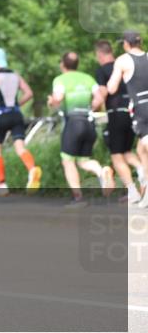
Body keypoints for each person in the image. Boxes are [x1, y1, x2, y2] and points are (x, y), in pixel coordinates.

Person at [49, 51, 112, 206]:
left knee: (68, 160)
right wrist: (90, 107)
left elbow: (58, 98)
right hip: (89, 122)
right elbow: (99, 98)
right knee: (83, 161)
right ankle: (101, 171)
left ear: (62, 64)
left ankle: (78, 198)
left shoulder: (60, 79)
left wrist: (51, 101)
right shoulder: (87, 78)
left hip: (73, 122)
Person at [0, 47, 40, 196]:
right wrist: (17, 105)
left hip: (1, 115)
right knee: (20, 147)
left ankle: (2, 184)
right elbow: (29, 93)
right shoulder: (15, 74)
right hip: (16, 114)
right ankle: (32, 169)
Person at [95, 38, 143, 204]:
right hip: (132, 112)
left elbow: (103, 92)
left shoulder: (102, 70)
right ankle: (141, 170)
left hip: (115, 114)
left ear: (99, 54)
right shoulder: (125, 64)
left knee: (116, 156)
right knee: (127, 151)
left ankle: (132, 191)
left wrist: (93, 106)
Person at [106, 30, 148, 208]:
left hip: (141, 109)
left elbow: (111, 88)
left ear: (126, 43)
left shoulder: (123, 60)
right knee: (141, 151)